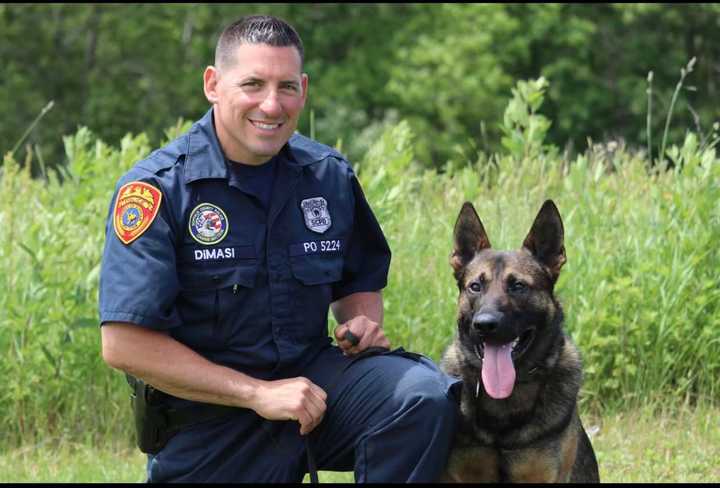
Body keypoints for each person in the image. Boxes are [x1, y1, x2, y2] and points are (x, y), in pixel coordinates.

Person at [99, 15, 459, 482]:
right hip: (209, 422)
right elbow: (124, 344)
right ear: (213, 83)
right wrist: (256, 394)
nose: (272, 105)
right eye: (253, 84)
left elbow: (358, 280)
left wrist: (359, 323)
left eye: (286, 87)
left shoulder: (328, 175)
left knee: (422, 396)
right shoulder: (158, 190)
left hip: (314, 394)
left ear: (303, 90)